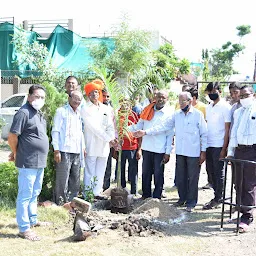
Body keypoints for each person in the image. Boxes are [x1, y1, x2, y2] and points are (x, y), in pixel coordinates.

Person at [134, 92, 207, 212]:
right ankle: (181, 199)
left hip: (193, 152)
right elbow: (163, 127)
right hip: (180, 152)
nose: (181, 103)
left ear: (190, 101)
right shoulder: (176, 115)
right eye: (180, 101)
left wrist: (203, 151)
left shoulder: (198, 115)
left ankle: (191, 202)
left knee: (193, 178)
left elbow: (204, 134)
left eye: (184, 101)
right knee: (180, 177)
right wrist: (145, 132)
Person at [8, 84, 49, 241]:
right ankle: (24, 228)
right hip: (27, 161)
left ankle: (33, 220)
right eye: (37, 96)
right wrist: (16, 152)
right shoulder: (23, 113)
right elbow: (12, 136)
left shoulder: (38, 113)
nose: (40, 100)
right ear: (29, 96)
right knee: (25, 195)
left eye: (42, 97)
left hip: (39, 162)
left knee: (34, 193)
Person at [130, 90, 173, 199]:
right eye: (159, 97)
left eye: (163, 97)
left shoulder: (169, 114)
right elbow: (139, 125)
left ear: (166, 99)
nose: (160, 99)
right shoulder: (147, 110)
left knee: (158, 175)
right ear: (155, 97)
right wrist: (125, 130)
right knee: (146, 173)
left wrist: (168, 152)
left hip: (160, 149)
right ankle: (145, 196)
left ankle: (156, 197)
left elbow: (167, 133)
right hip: (147, 147)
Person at [81, 80, 118, 200]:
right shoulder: (85, 108)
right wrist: (109, 139)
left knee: (101, 170)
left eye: (96, 92)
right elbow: (94, 128)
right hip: (91, 143)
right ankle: (88, 194)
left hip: (104, 145)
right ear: (88, 94)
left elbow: (110, 126)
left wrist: (111, 138)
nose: (94, 94)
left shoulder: (105, 108)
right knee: (89, 171)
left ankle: (97, 192)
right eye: (91, 92)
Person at [227, 85, 256, 233]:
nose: (244, 98)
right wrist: (230, 152)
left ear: (253, 94)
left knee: (248, 184)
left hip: (252, 150)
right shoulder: (237, 112)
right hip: (239, 150)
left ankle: (247, 216)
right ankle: (240, 210)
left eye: (247, 95)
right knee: (237, 183)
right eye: (242, 96)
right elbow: (233, 134)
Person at [51, 90, 85, 205]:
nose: (77, 101)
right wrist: (56, 150)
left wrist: (83, 147)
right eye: (75, 98)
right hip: (64, 150)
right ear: (69, 98)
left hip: (76, 151)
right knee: (62, 179)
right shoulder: (61, 111)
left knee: (75, 178)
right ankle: (61, 203)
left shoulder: (79, 113)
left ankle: (72, 202)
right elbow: (55, 131)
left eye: (79, 99)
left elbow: (81, 133)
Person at [203, 82, 231, 210]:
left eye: (214, 91)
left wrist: (224, 149)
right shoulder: (209, 107)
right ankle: (217, 195)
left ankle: (219, 197)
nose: (211, 94)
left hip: (219, 145)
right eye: (209, 92)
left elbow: (227, 129)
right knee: (210, 172)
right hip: (209, 144)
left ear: (220, 91)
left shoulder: (225, 107)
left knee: (219, 173)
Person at [114, 99, 142, 195]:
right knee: (120, 169)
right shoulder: (116, 115)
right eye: (122, 103)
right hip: (120, 148)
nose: (124, 105)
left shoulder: (134, 115)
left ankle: (134, 191)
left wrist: (139, 149)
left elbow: (139, 132)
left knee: (133, 170)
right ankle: (121, 189)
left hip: (132, 147)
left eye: (127, 103)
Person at [102, 88, 115, 191]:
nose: (106, 98)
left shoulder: (112, 109)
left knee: (108, 165)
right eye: (104, 96)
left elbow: (114, 125)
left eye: (107, 96)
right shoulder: (95, 108)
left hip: (109, 142)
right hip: (98, 141)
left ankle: (106, 187)